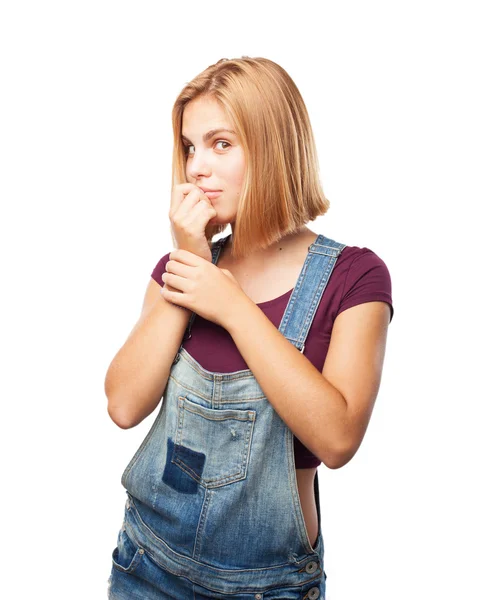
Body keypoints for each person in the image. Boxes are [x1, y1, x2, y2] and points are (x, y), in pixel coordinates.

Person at [105, 56, 393, 599]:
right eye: (190, 147)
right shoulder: (183, 271)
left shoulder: (355, 277)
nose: (196, 168)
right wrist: (191, 262)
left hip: (270, 586)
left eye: (220, 144)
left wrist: (232, 306)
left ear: (274, 148)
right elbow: (123, 405)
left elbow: (337, 438)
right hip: (147, 566)